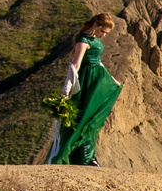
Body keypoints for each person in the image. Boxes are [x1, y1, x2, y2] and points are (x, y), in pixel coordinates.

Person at [44, 13, 122, 165]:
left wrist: (111, 79)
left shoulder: (94, 39)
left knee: (93, 118)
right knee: (83, 117)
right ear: (95, 26)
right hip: (87, 80)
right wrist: (67, 87)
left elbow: (97, 61)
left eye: (106, 33)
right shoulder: (83, 40)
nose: (104, 35)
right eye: (103, 31)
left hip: (97, 79)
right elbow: (75, 64)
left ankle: (87, 155)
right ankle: (77, 156)